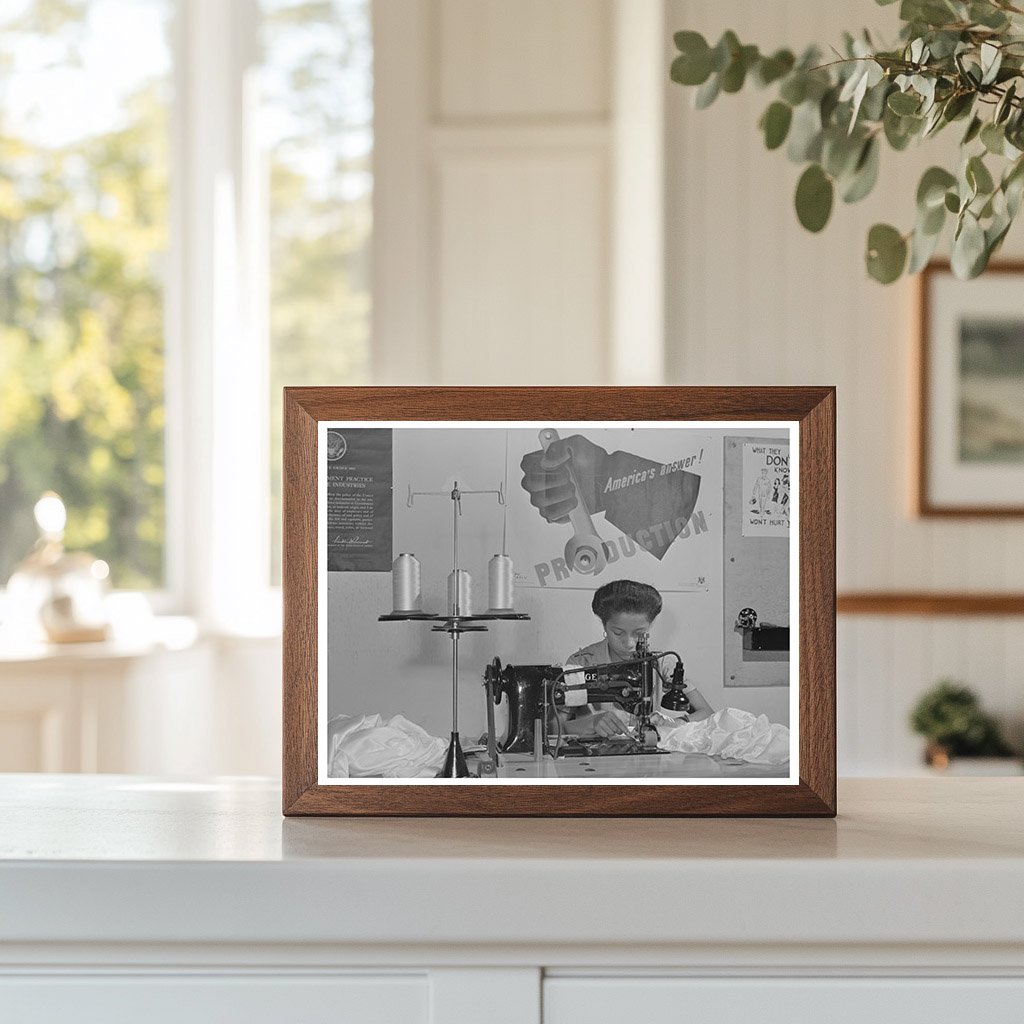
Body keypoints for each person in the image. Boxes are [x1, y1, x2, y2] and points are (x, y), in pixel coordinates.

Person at [556, 579, 714, 738]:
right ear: (604, 626)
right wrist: (591, 723)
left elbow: (707, 712)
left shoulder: (662, 663)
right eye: (618, 633)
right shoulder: (581, 664)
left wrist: (679, 722)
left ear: (650, 627)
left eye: (639, 634)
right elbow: (552, 728)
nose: (629, 643)